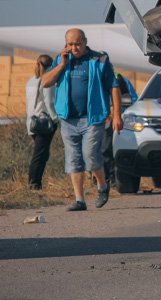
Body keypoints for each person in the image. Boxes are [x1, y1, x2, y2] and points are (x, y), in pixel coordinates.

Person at [40, 28, 123, 211]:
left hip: (92, 118)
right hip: (68, 119)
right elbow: (45, 82)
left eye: (77, 44)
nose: (74, 48)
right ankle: (79, 200)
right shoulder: (61, 60)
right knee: (73, 159)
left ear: (85, 42)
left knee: (90, 155)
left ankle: (103, 186)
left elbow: (114, 87)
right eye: (70, 44)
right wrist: (62, 65)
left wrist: (117, 114)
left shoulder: (99, 60)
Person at [25, 54, 59, 190]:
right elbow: (49, 102)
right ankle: (34, 183)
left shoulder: (30, 81)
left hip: (31, 122)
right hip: (44, 122)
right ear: (51, 66)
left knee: (42, 153)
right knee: (40, 155)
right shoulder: (47, 81)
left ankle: (35, 182)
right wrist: (56, 119)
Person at [103, 72, 139, 187]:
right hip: (100, 120)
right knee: (103, 150)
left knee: (112, 149)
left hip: (120, 120)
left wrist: (120, 113)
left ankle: (112, 178)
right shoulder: (93, 76)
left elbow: (133, 100)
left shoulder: (119, 79)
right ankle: (104, 179)